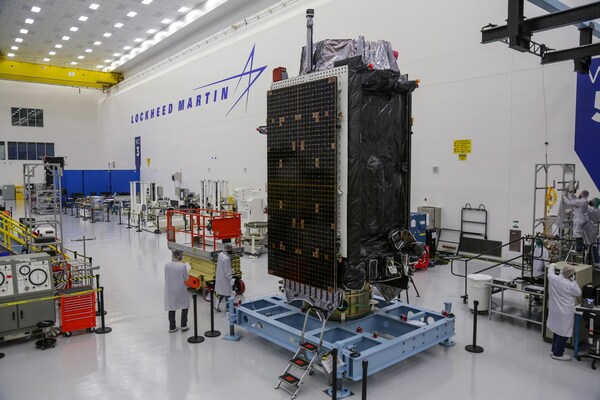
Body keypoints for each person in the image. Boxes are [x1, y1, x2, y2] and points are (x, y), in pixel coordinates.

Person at [546, 263, 581, 361]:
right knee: (563, 333)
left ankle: (553, 350)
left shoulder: (554, 279)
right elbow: (578, 292)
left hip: (555, 311)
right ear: (571, 275)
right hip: (565, 312)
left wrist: (552, 265)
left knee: (557, 330)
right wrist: (574, 281)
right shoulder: (570, 285)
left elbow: (550, 272)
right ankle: (558, 353)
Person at [164, 249, 190, 333]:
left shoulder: (167, 265)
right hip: (180, 289)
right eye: (182, 255)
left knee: (171, 307)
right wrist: (187, 270)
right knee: (185, 305)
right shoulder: (182, 266)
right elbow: (186, 278)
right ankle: (183, 325)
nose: (182, 257)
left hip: (170, 289)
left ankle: (172, 327)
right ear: (179, 256)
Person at [214, 243, 234, 312]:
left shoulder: (220, 254)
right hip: (225, 279)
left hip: (220, 276)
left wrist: (230, 269)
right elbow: (227, 270)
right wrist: (231, 278)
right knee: (227, 293)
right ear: (228, 249)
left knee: (221, 292)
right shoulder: (226, 258)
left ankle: (216, 305)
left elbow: (223, 266)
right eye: (231, 249)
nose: (231, 250)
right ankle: (228, 307)